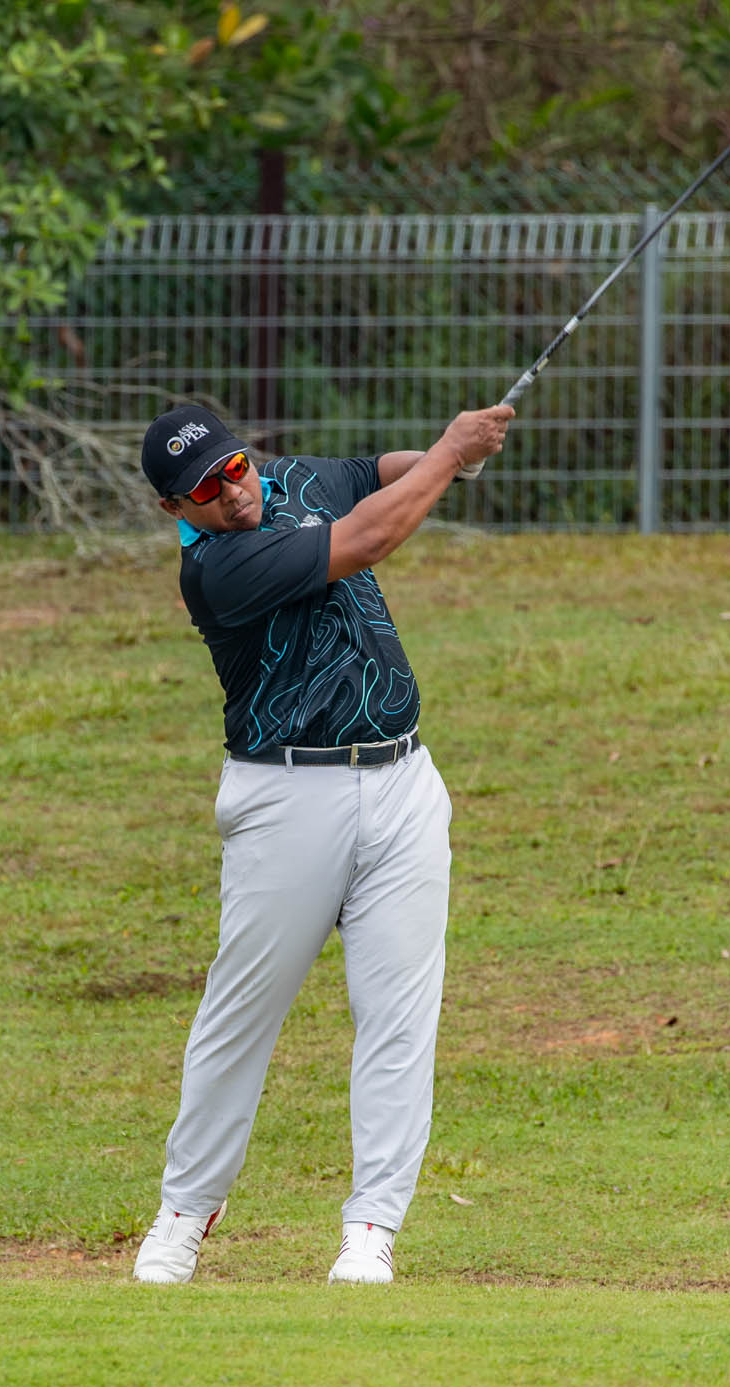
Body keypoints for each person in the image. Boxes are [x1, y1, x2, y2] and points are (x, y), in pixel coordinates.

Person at [131, 400, 514, 1285]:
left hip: (403, 780)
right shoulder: (217, 569)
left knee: (399, 1017)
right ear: (175, 509)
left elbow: (377, 476)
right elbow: (371, 536)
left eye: (235, 467)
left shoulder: (292, 480)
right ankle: (185, 1212)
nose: (234, 493)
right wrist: (450, 453)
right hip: (286, 796)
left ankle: (372, 1228)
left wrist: (453, 455)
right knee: (240, 1015)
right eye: (206, 489)